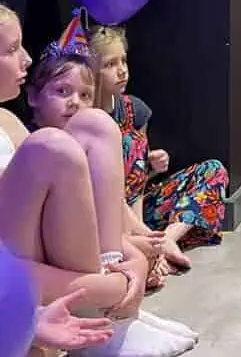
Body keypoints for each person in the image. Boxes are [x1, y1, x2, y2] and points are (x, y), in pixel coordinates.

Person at [0, 0, 197, 357]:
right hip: (8, 272)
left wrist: (129, 260)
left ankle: (109, 305)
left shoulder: (6, 123)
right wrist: (104, 287)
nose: (26, 59)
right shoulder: (34, 138)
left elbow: (71, 209)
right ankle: (98, 313)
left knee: (96, 124)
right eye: (11, 49)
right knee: (52, 145)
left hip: (42, 258)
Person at [87, 25, 228, 277]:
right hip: (104, 218)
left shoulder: (134, 110)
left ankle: (165, 240)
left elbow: (136, 184)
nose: (122, 70)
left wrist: (150, 167)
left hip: (137, 212)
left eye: (123, 61)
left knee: (213, 170)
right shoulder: (83, 118)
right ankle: (147, 245)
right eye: (110, 64)